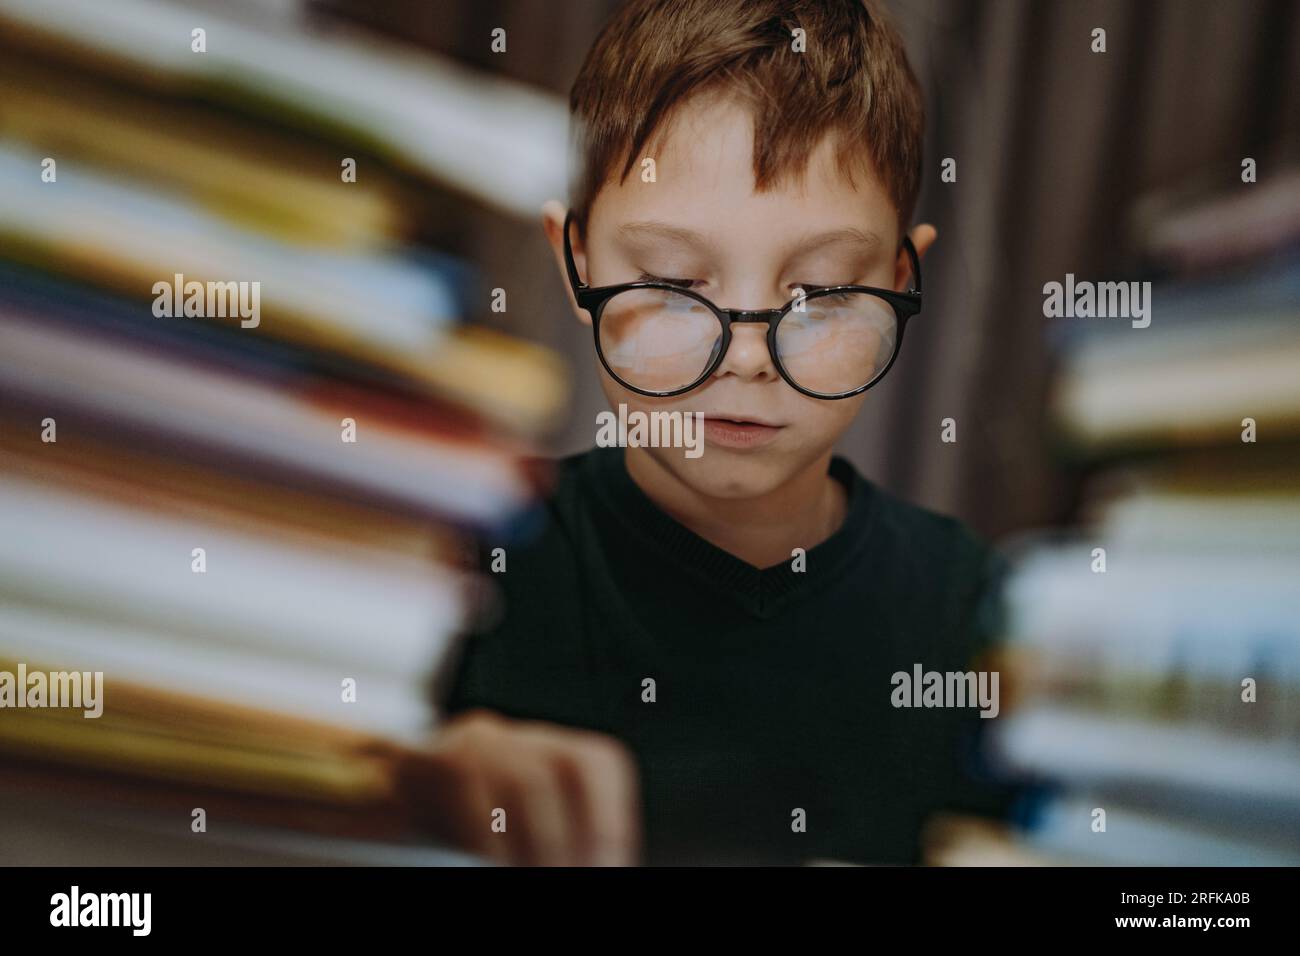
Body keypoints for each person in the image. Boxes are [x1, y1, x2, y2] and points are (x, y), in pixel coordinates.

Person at [401, 0, 1017, 866]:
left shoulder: (982, 617)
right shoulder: (455, 566)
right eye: (675, 282)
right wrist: (411, 783)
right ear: (577, 265)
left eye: (823, 293)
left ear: (901, 279)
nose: (752, 358)